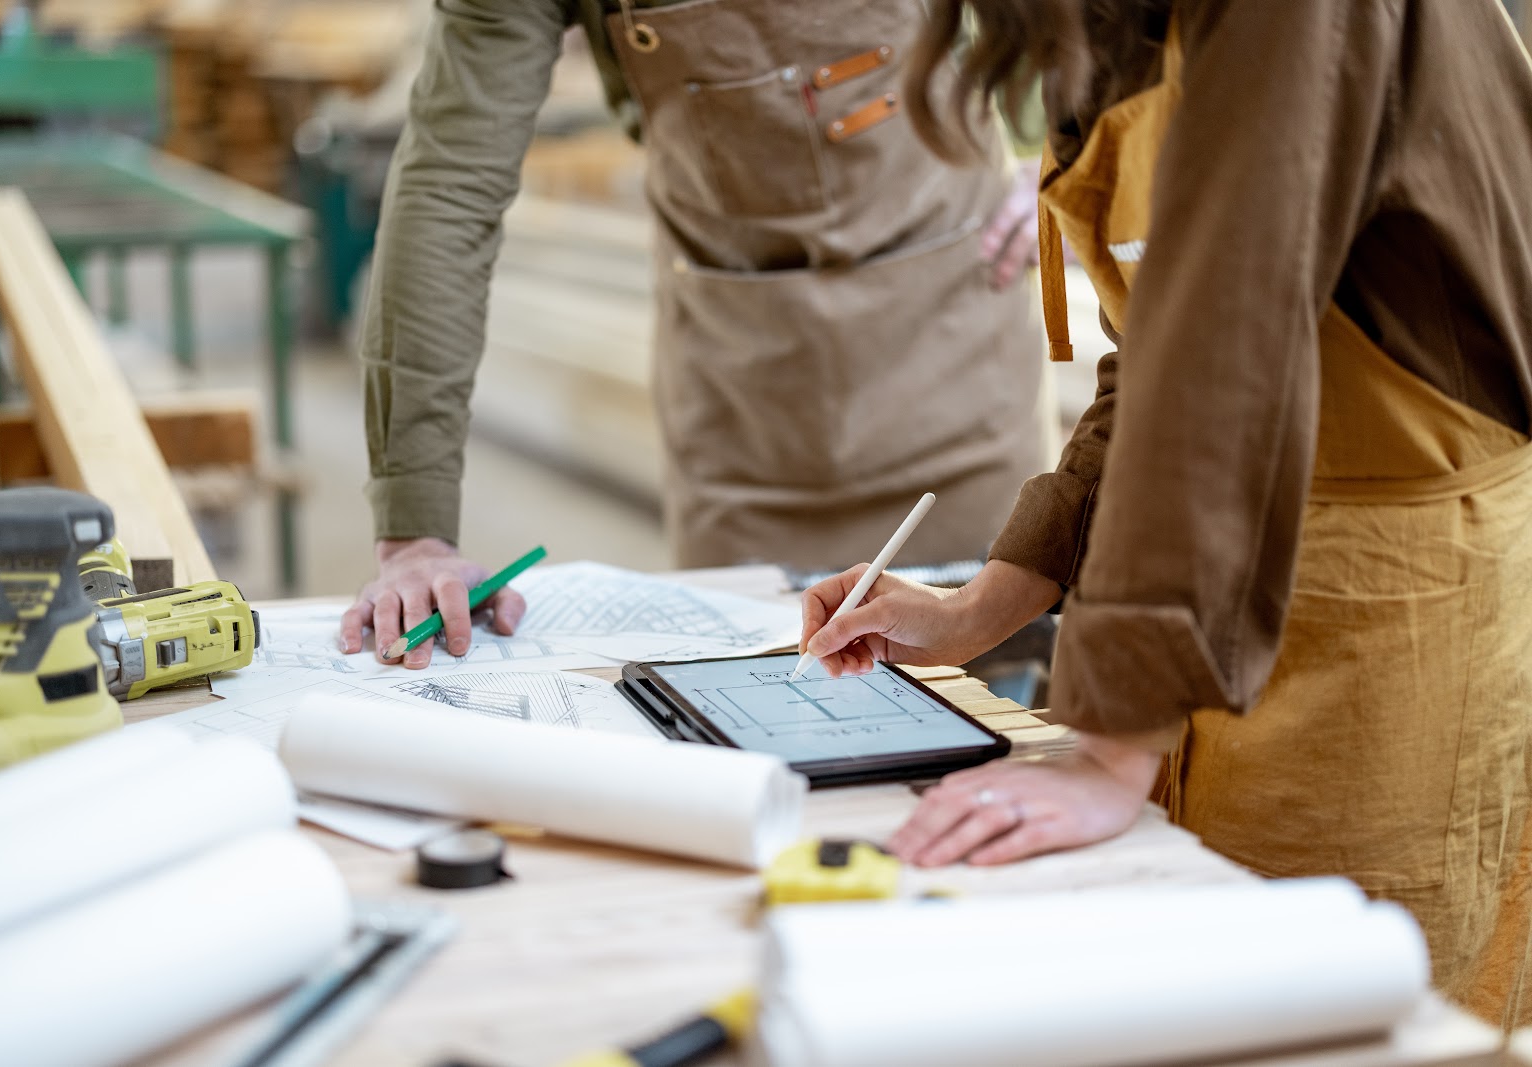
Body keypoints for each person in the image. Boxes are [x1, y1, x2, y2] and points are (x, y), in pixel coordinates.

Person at [799, 0, 1532, 1026]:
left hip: (1387, 619)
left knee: (1322, 1010)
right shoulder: (1101, 23)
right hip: (1199, 593)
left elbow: (1222, 353)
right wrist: (982, 609)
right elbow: (1155, 350)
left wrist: (1108, 744)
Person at [339, 0, 1055, 668]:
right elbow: (449, 183)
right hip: (741, 401)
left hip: (959, 364)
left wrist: (1070, 161)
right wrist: (416, 530)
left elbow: (1126, 37)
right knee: (758, 712)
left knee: (989, 721)